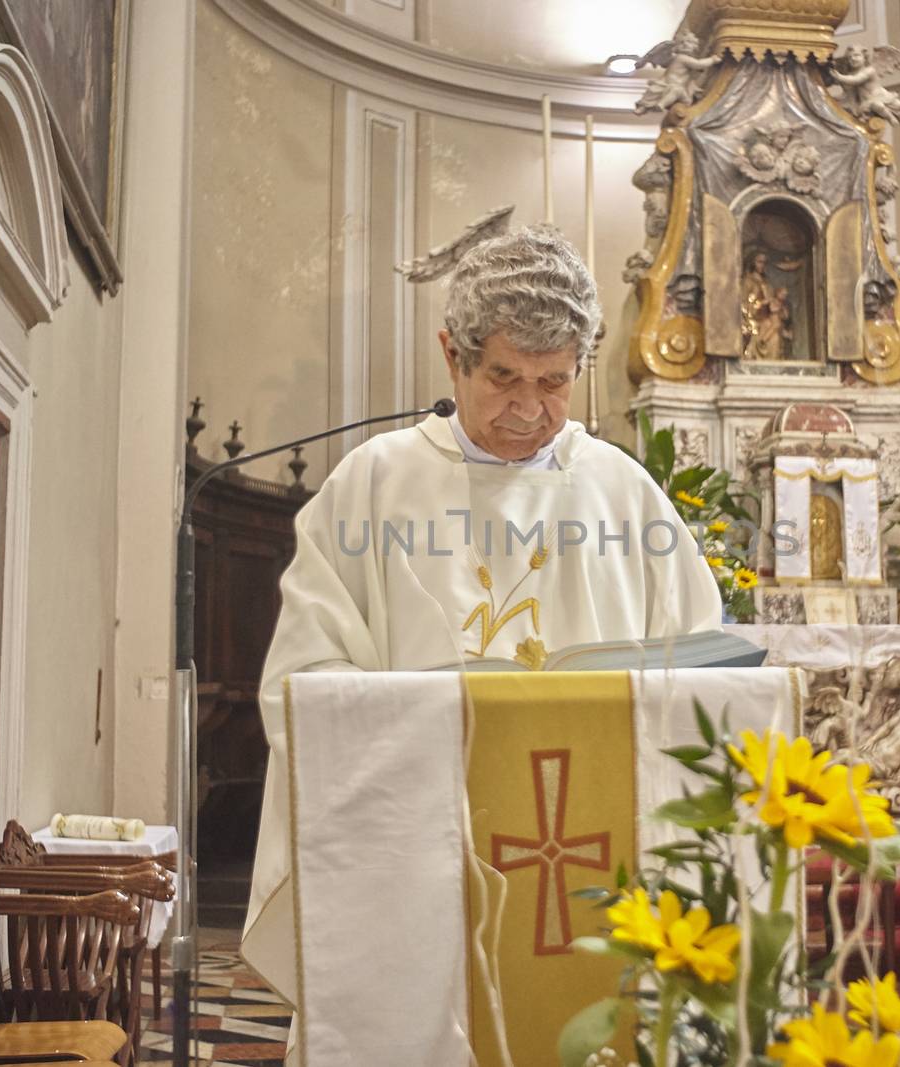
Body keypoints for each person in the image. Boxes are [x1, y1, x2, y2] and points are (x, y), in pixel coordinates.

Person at [242, 227, 723, 997]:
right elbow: (302, 684)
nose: (531, 408)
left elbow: (705, 671)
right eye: (505, 377)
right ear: (451, 355)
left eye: (555, 382)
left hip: (594, 855)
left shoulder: (626, 495)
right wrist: (444, 723)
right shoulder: (372, 486)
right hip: (413, 854)